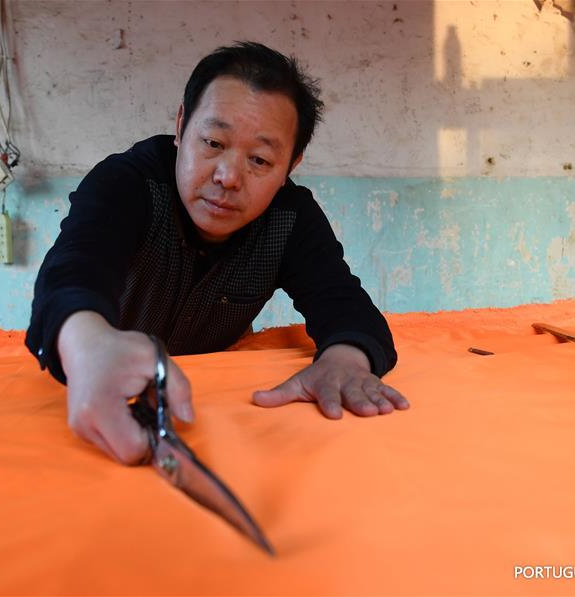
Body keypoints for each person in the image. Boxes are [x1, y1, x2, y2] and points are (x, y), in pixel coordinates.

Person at [25, 42, 409, 465]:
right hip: (97, 389)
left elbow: (343, 302)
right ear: (180, 126)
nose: (228, 177)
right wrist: (87, 344)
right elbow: (75, 267)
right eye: (212, 142)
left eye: (260, 160)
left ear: (290, 167)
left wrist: (346, 359)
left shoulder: (289, 220)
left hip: (217, 416)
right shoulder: (129, 184)